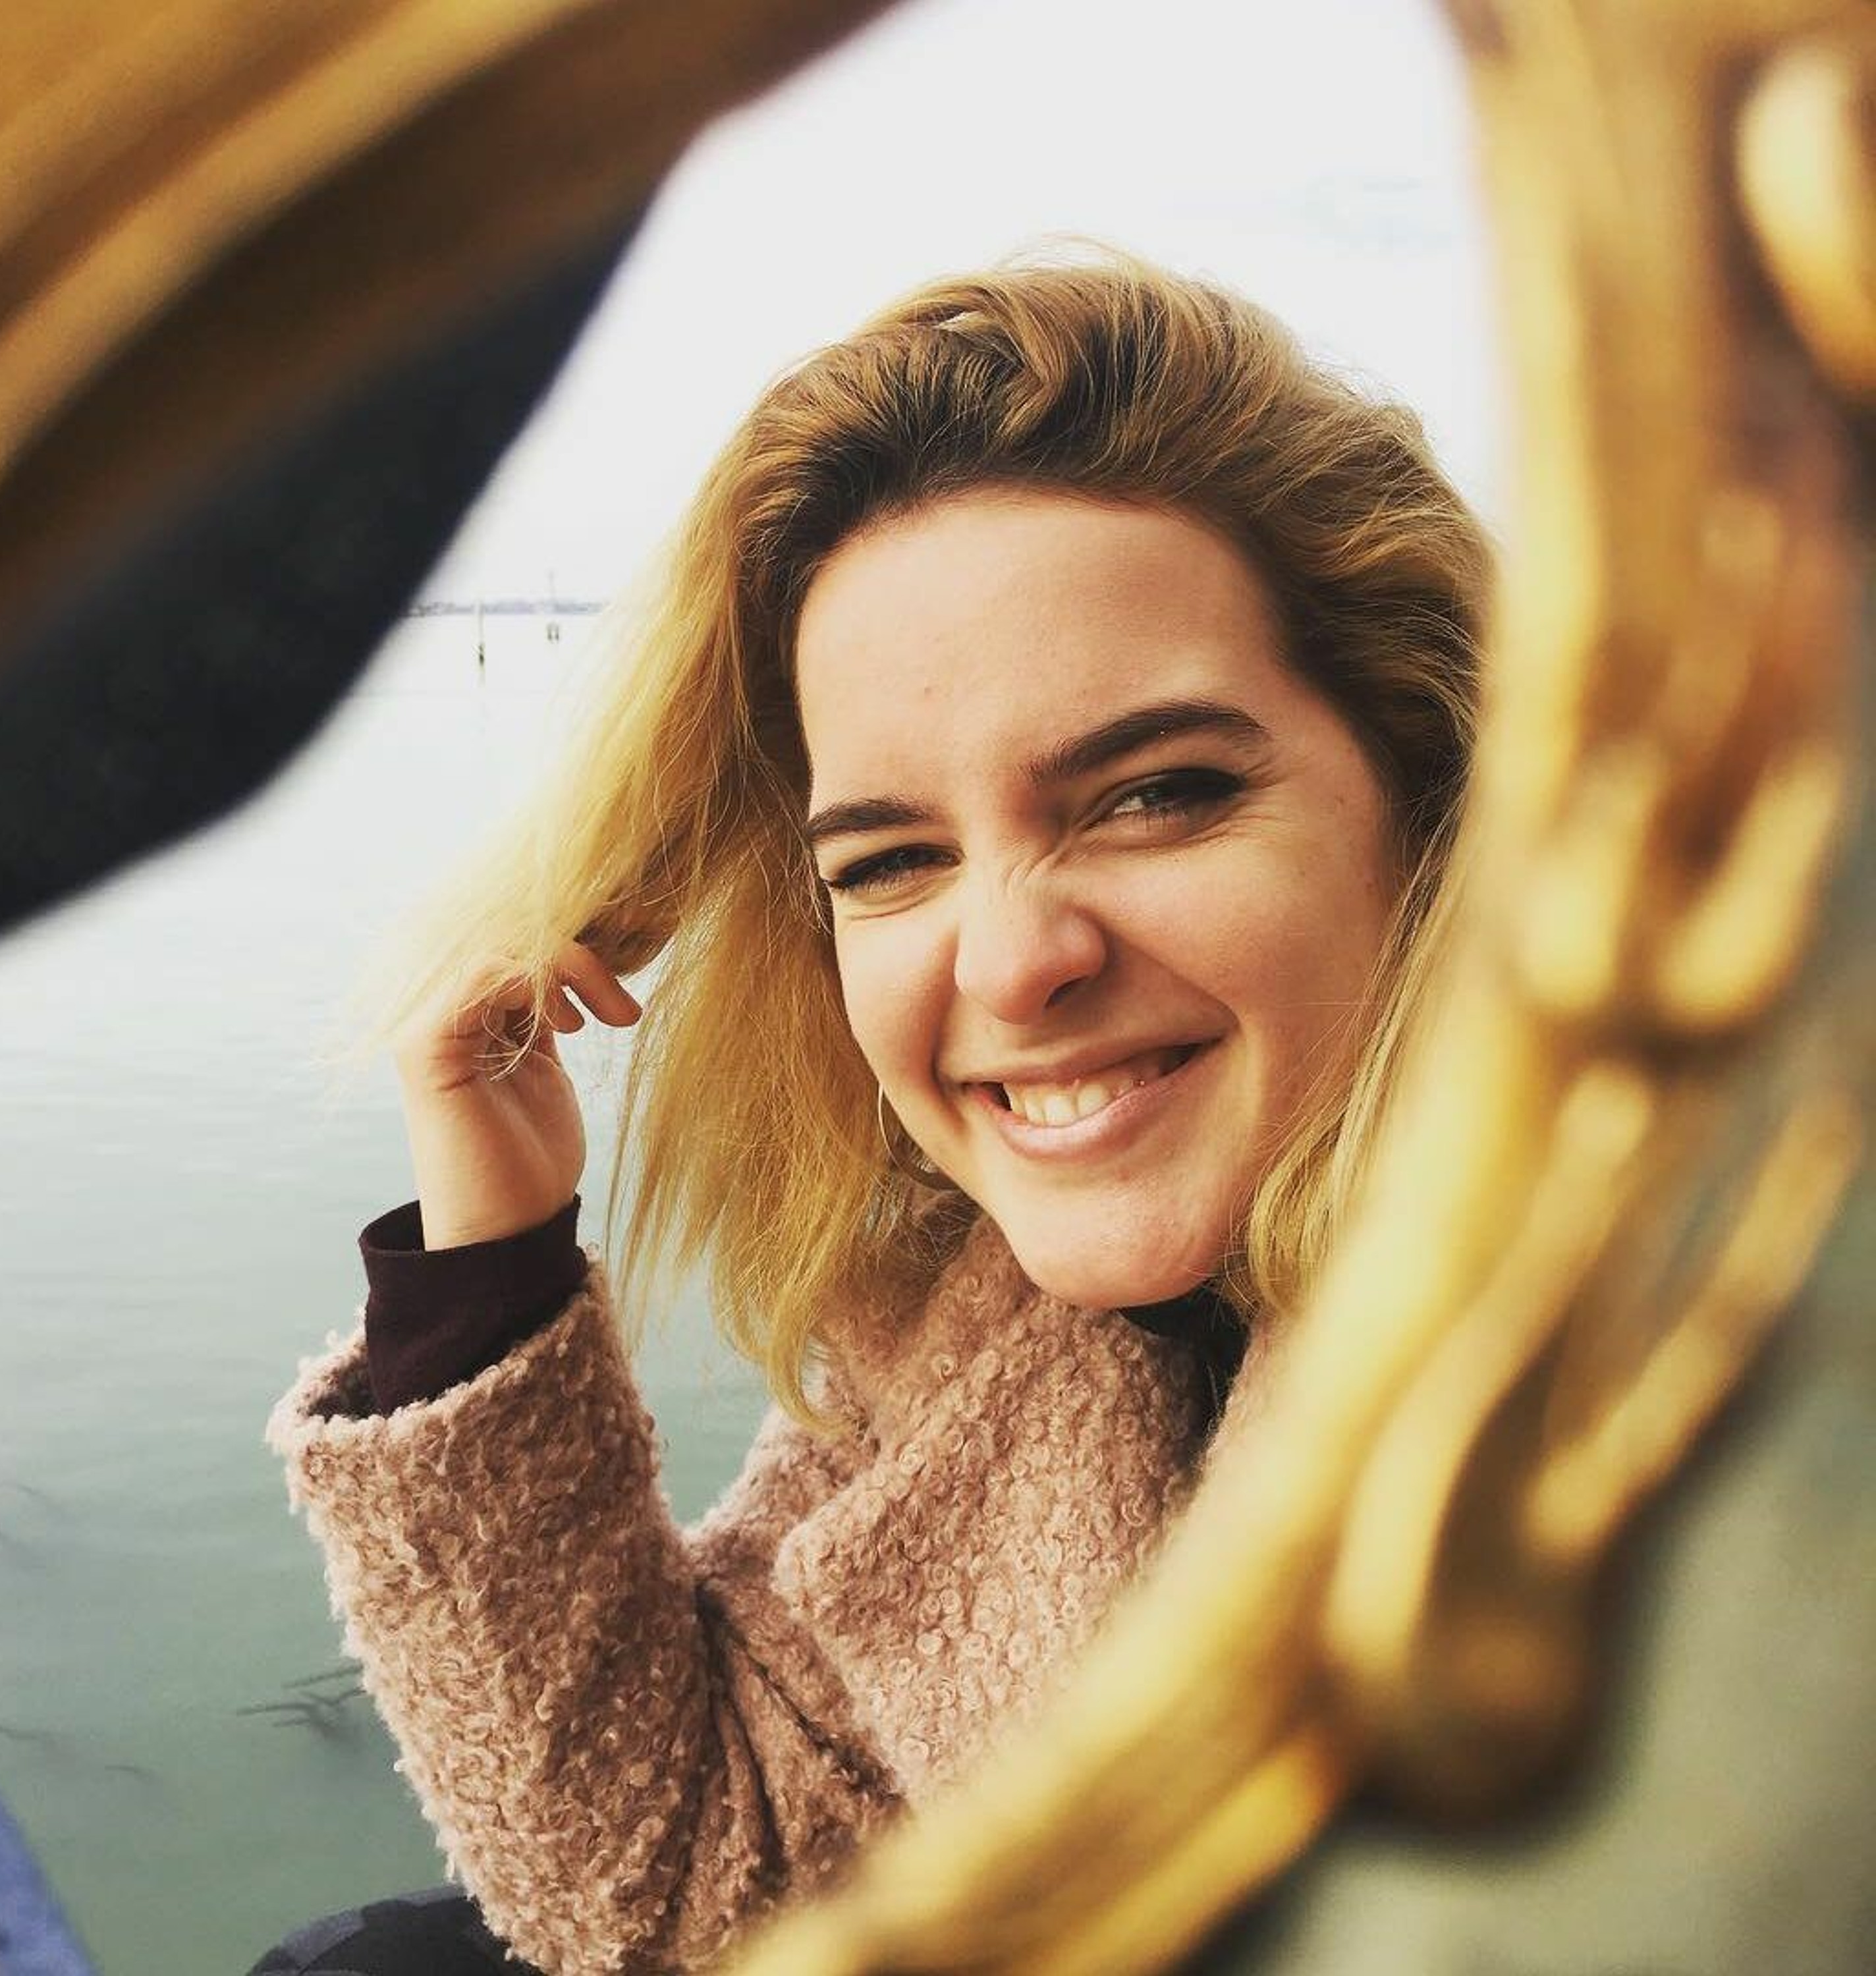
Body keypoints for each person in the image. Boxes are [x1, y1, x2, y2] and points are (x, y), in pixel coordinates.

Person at [252, 251, 1488, 1976]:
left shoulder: (1644, 1367)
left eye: (1157, 792)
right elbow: (678, 1878)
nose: (1014, 962)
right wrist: (490, 1256)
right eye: (893, 859)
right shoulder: (970, 1323)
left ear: (1431, 792)